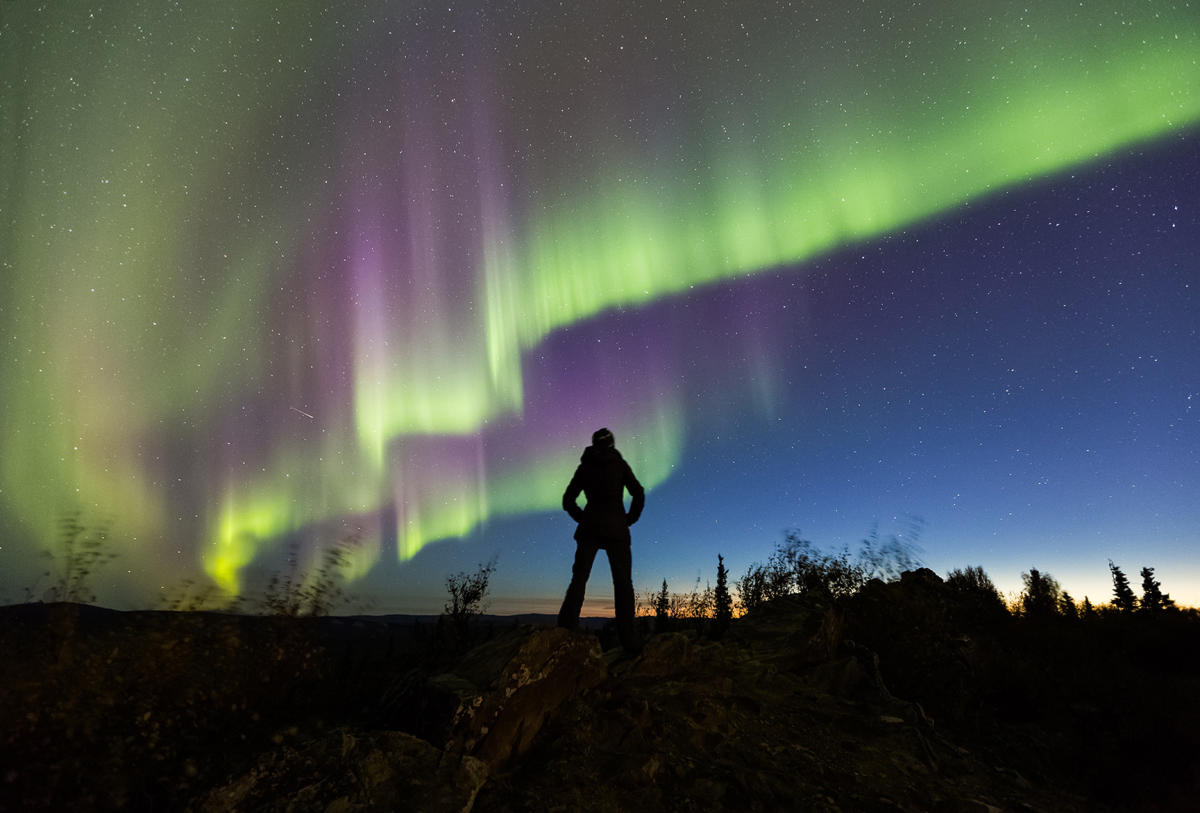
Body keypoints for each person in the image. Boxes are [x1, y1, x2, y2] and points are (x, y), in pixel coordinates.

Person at [557, 427, 645, 652]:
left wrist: (583, 519)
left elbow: (568, 500)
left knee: (579, 579)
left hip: (590, 528)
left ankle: (565, 630)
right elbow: (638, 492)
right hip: (617, 529)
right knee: (623, 584)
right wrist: (629, 520)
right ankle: (629, 642)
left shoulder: (585, 467)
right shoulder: (619, 464)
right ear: (612, 444)